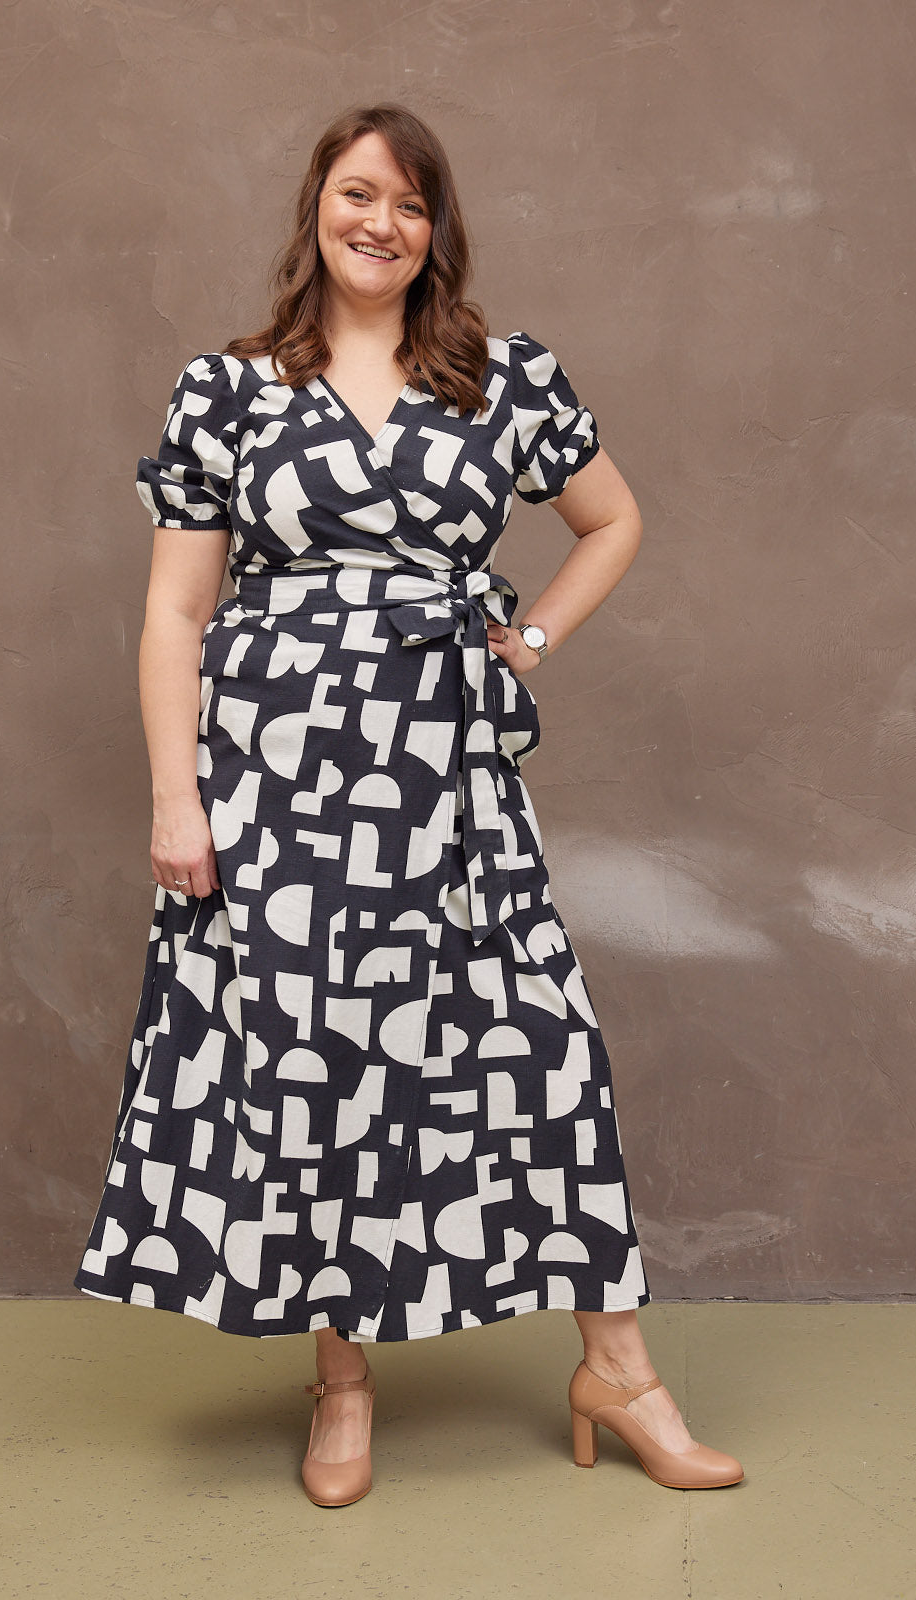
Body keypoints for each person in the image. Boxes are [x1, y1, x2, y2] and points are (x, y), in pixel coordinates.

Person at [73, 101, 743, 1506]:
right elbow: (173, 612)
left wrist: (530, 637)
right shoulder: (227, 392)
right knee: (317, 1058)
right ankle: (341, 1384)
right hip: (277, 777)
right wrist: (178, 801)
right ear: (316, 203)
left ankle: (620, 1374)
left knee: (539, 1047)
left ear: (438, 230)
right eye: (359, 193)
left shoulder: (504, 378)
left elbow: (612, 520)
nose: (382, 223)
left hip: (450, 774)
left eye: (411, 204)